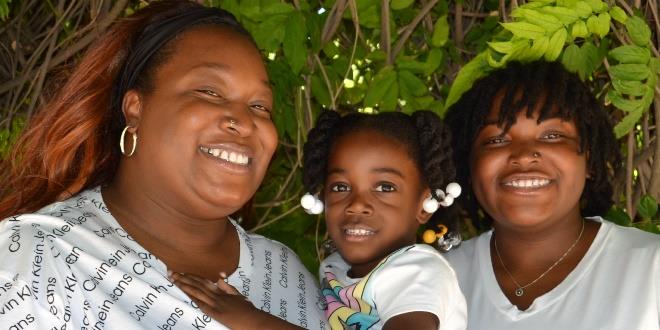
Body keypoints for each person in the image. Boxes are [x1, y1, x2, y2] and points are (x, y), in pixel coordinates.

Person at [0, 1, 327, 329]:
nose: (244, 122)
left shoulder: (288, 273)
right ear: (135, 109)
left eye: (259, 105)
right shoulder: (37, 254)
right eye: (210, 92)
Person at [171, 110, 467, 330]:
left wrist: (252, 320)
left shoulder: (418, 271)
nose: (358, 204)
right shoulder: (336, 267)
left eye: (385, 187)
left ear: (424, 205)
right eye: (340, 187)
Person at [444, 60, 660, 329]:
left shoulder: (651, 268)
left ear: (590, 161)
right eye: (497, 140)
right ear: (470, 164)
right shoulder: (436, 278)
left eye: (552, 136)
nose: (524, 155)